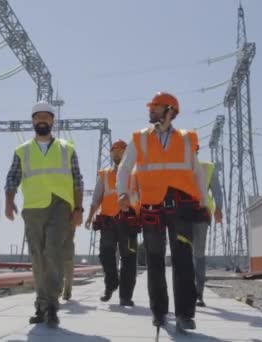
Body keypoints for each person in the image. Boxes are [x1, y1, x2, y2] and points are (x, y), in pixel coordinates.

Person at [116, 91, 207, 332]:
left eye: (156, 106)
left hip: (182, 208)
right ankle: (159, 312)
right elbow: (124, 168)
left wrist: (205, 205)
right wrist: (122, 193)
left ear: (170, 111)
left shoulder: (187, 139)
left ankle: (185, 315)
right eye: (151, 106)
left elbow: (198, 173)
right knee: (155, 261)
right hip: (151, 207)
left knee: (183, 260)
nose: (151, 110)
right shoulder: (139, 138)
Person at [4, 101, 84, 328]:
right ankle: (41, 304)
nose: (42, 120)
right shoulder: (23, 150)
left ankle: (51, 305)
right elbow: (12, 178)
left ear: (52, 121)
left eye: (46, 117)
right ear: (32, 121)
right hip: (33, 208)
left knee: (53, 253)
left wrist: (78, 209)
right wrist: (9, 202)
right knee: (38, 256)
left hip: (61, 207)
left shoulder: (67, 148)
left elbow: (78, 180)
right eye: (37, 117)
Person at [85, 140, 140, 306]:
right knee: (106, 255)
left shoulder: (135, 173)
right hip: (108, 221)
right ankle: (111, 284)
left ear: (127, 153)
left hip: (129, 221)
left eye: (121, 150)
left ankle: (125, 296)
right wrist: (90, 216)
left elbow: (141, 195)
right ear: (111, 153)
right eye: (114, 150)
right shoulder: (105, 174)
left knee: (129, 258)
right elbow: (97, 197)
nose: (117, 153)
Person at [193, 160, 223, 307]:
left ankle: (198, 294)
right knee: (183, 254)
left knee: (198, 254)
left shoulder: (207, 167)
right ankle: (186, 293)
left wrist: (218, 208)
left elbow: (217, 190)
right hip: (180, 214)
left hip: (200, 213)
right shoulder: (178, 162)